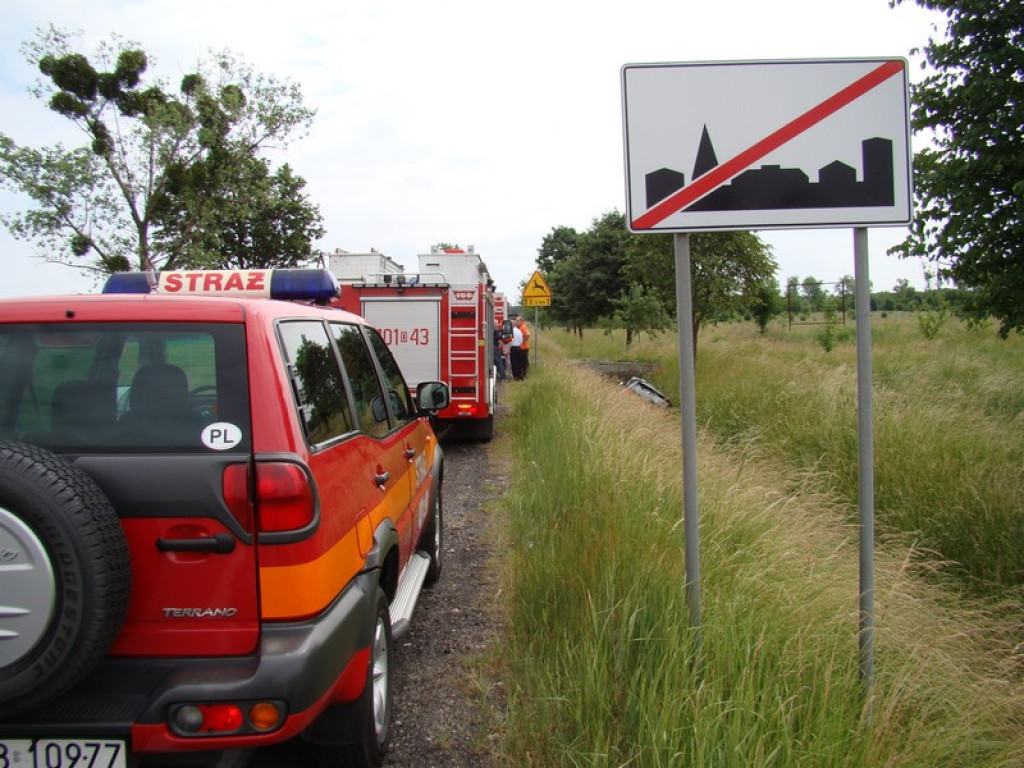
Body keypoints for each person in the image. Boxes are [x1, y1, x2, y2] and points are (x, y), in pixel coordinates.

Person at [515, 315, 531, 379]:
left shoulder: (523, 327)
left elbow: (528, 334)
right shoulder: (520, 327)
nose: (516, 322)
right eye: (516, 321)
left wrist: (523, 341)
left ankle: (524, 375)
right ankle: (524, 375)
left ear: (521, 321)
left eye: (517, 320)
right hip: (522, 347)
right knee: (523, 362)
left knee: (523, 362)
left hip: (524, 348)